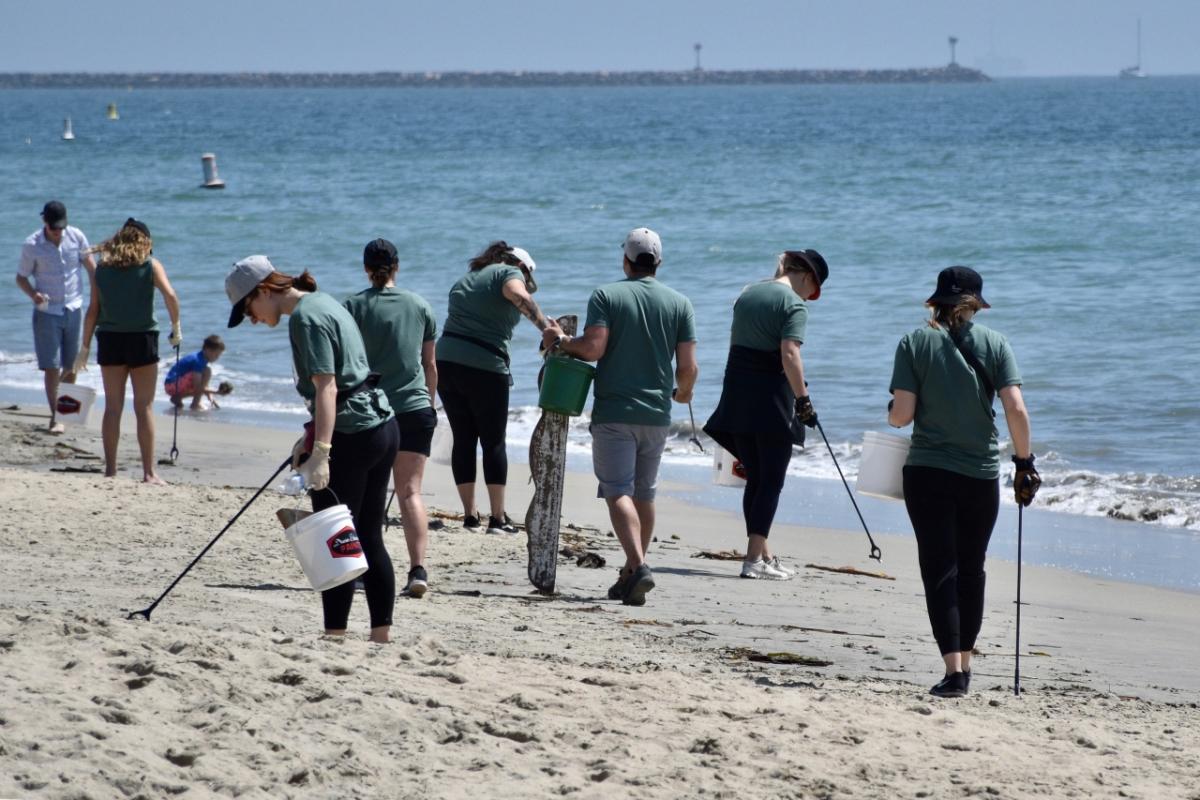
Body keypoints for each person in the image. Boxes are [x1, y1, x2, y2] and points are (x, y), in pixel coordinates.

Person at [225, 255, 398, 642]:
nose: (251, 319)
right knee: (368, 536)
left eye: (247, 309)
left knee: (331, 538)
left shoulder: (305, 318)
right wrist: (309, 437)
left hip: (354, 434)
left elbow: (328, 387)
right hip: (383, 426)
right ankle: (380, 637)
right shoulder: (324, 301)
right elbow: (348, 381)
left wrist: (321, 451)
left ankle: (334, 635)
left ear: (264, 291)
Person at [888, 266, 1040, 698]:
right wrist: (1024, 464)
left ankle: (954, 672)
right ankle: (967, 665)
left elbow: (901, 416)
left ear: (935, 301)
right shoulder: (996, 343)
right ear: (975, 304)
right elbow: (1016, 409)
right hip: (980, 475)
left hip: (928, 472)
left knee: (940, 567)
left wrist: (890, 412)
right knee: (972, 569)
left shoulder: (914, 342)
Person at [542, 228, 697, 606]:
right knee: (644, 493)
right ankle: (630, 574)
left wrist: (559, 340)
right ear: (658, 263)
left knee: (617, 492)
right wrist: (683, 395)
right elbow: (689, 367)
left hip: (615, 410)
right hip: (658, 414)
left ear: (626, 260)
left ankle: (639, 566)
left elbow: (593, 348)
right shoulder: (680, 303)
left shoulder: (607, 295)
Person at [703, 249, 829, 581]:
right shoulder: (793, 304)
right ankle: (753, 561)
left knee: (756, 480)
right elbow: (789, 353)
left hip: (736, 395)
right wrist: (803, 401)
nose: (809, 297)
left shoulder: (748, 293)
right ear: (806, 277)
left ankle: (762, 554)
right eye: (812, 290)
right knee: (771, 481)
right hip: (772, 400)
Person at [343, 239, 438, 599]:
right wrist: (429, 405)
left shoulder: (353, 306)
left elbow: (346, 364)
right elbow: (429, 365)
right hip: (415, 409)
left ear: (365, 267)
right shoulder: (420, 305)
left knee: (367, 495)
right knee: (410, 491)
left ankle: (362, 567)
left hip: (370, 412)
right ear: (397, 266)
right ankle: (417, 569)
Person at [435, 240, 549, 533]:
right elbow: (517, 294)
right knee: (493, 441)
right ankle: (498, 518)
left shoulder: (468, 279)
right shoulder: (509, 273)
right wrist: (547, 330)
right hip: (484, 366)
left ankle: (470, 516)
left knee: (464, 438)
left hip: (446, 362)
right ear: (521, 267)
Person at [77, 219, 181, 484]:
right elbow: (171, 296)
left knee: (112, 407)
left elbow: (93, 311)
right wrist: (176, 328)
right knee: (143, 406)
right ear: (144, 242)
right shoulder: (150, 266)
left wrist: (84, 347)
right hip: (142, 338)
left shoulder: (102, 268)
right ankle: (148, 472)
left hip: (110, 339)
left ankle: (110, 470)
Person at [16, 201, 96, 434]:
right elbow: (21, 278)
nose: (58, 232)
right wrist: (33, 294)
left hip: (73, 308)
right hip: (47, 312)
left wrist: (98, 298)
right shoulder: (32, 245)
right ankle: (56, 416)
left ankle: (64, 410)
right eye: (54, 228)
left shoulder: (77, 236)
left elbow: (91, 268)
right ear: (45, 223)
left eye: (61, 227)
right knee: (51, 367)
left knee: (71, 365)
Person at [164, 334, 226, 410]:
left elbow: (204, 385)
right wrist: (216, 392)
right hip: (173, 384)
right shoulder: (198, 361)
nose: (217, 358)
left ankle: (177, 398)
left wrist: (211, 397)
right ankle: (195, 404)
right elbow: (198, 387)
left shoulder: (200, 358)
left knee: (205, 374)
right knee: (207, 371)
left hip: (171, 385)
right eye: (216, 355)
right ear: (207, 350)